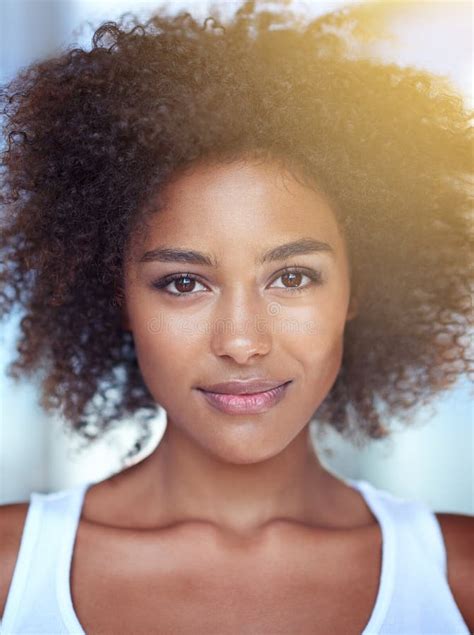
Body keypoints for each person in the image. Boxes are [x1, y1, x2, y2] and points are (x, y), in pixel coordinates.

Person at [0, 1, 472, 633]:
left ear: (360, 285)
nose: (243, 341)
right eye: (185, 282)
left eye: (293, 277)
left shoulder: (460, 578)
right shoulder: (10, 572)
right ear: (118, 298)